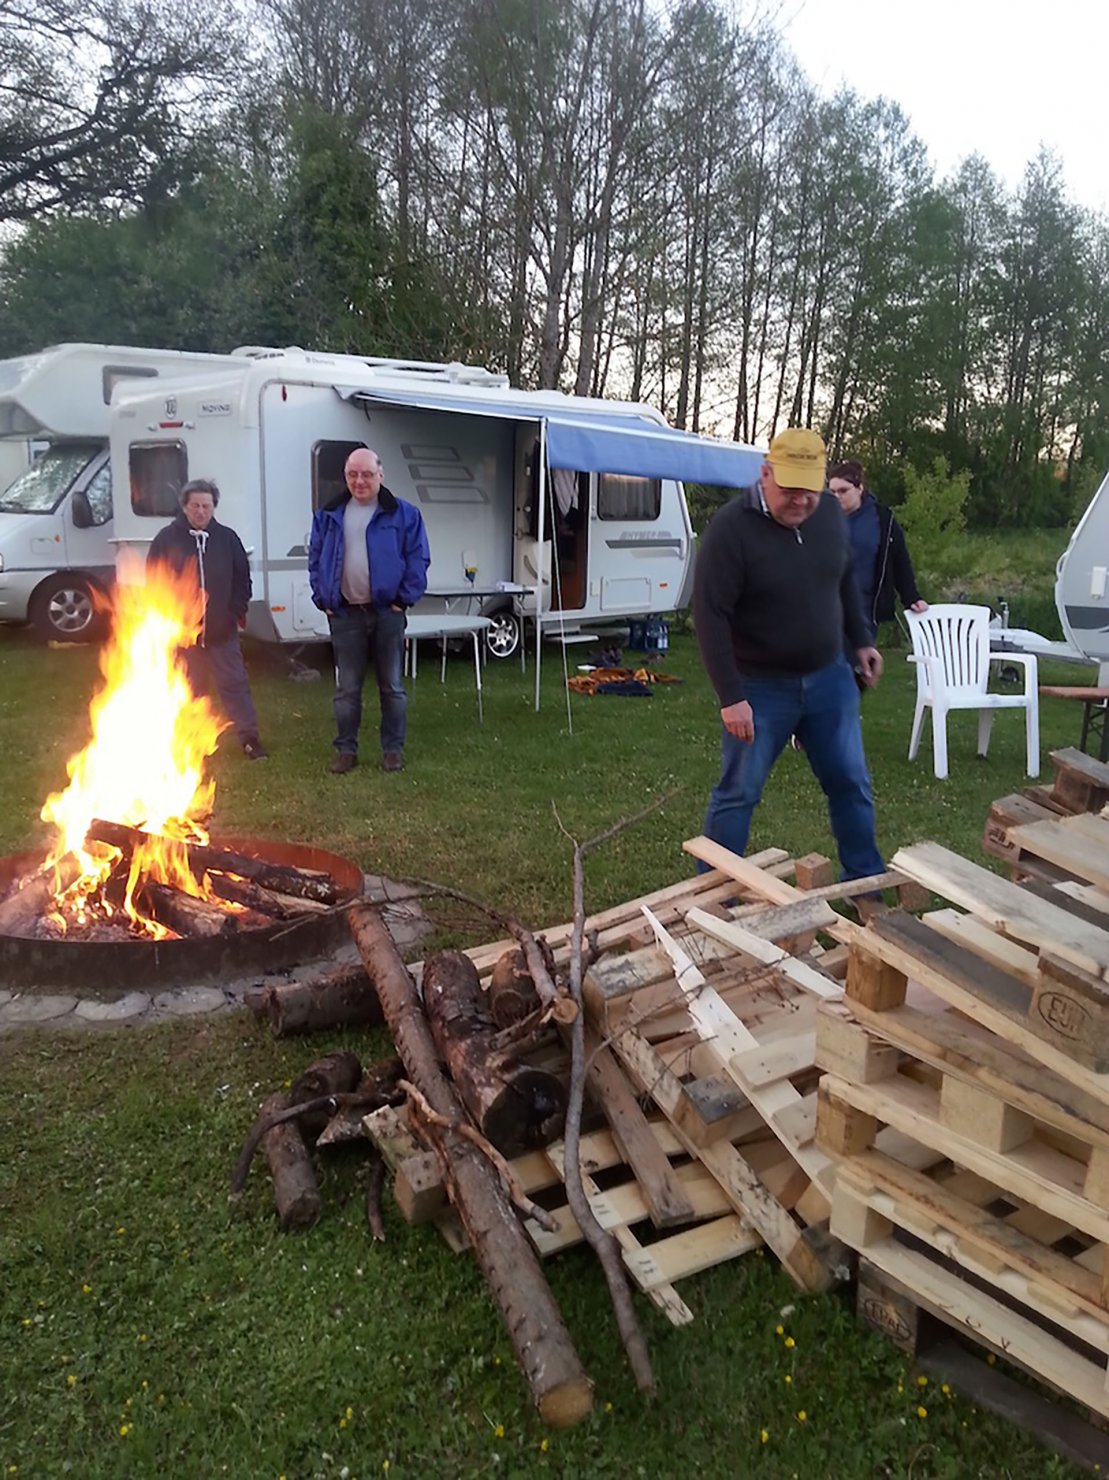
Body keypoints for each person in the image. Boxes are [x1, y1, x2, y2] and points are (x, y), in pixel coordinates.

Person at [693, 427, 885, 881]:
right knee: (739, 792)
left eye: (809, 490)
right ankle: (712, 893)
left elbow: (842, 578)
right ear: (766, 475)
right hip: (759, 687)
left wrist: (861, 640)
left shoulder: (828, 515)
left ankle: (864, 883)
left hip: (829, 678)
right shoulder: (731, 529)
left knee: (851, 782)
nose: (801, 500)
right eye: (790, 489)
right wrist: (731, 697)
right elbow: (710, 614)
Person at [308, 447, 430, 774]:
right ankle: (346, 750)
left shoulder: (404, 514)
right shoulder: (328, 515)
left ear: (380, 475)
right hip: (345, 614)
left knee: (392, 686)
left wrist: (402, 600)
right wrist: (323, 598)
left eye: (366, 474)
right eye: (352, 474)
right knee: (347, 689)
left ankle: (393, 750)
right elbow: (315, 559)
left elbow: (418, 559)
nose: (359, 481)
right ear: (345, 477)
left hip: (388, 613)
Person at [147, 479, 266, 760]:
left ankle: (249, 739)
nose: (201, 511)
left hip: (222, 633)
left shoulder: (227, 539)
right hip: (183, 635)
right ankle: (190, 744)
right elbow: (154, 581)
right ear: (184, 507)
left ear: (214, 507)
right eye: (195, 506)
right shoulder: (166, 539)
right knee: (188, 689)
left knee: (235, 685)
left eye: (206, 506)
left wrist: (232, 614)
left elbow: (242, 581)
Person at [826, 459, 927, 647]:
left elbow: (899, 560)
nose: (837, 496)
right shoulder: (820, 518)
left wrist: (911, 596)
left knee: (860, 661)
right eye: (832, 492)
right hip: (826, 610)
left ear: (859, 488)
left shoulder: (882, 519)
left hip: (864, 611)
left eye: (843, 491)